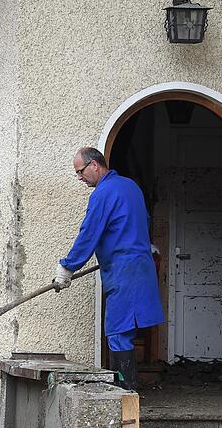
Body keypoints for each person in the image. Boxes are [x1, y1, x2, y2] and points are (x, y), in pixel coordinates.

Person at [53, 147, 165, 390]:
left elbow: (89, 234)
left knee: (118, 332)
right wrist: (143, 243)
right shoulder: (131, 186)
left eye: (80, 171)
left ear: (95, 165)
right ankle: (128, 394)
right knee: (126, 328)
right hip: (139, 266)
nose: (79, 177)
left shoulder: (102, 194)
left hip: (124, 270)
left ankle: (126, 396)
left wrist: (67, 267)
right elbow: (142, 221)